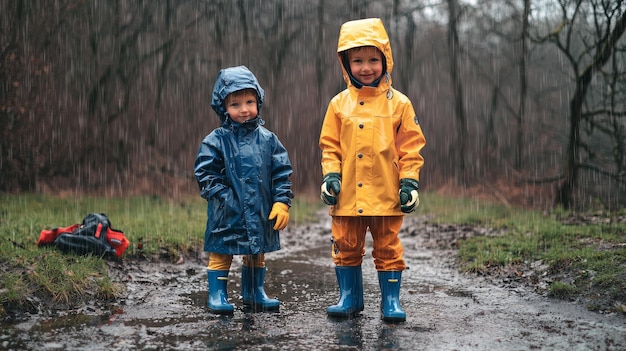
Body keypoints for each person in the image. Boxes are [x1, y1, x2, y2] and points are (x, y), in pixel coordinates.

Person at [318, 18, 426, 322]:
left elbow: (411, 147)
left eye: (373, 59)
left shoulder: (400, 104)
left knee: (388, 247)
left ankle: (390, 302)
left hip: (386, 193)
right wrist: (331, 176)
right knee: (345, 246)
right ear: (346, 63)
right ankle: (349, 298)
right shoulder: (338, 105)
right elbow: (330, 147)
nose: (366, 67)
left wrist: (410, 182)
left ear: (385, 59)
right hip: (348, 194)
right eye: (358, 60)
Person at [195, 65, 293, 314]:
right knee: (222, 251)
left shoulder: (269, 140)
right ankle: (217, 294)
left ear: (258, 101)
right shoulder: (216, 140)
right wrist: (224, 197)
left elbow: (281, 173)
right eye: (235, 104)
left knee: (256, 251)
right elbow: (205, 174)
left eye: (250, 101)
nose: (244, 109)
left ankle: (253, 292)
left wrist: (282, 202)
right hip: (226, 212)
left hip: (260, 209)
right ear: (223, 107)